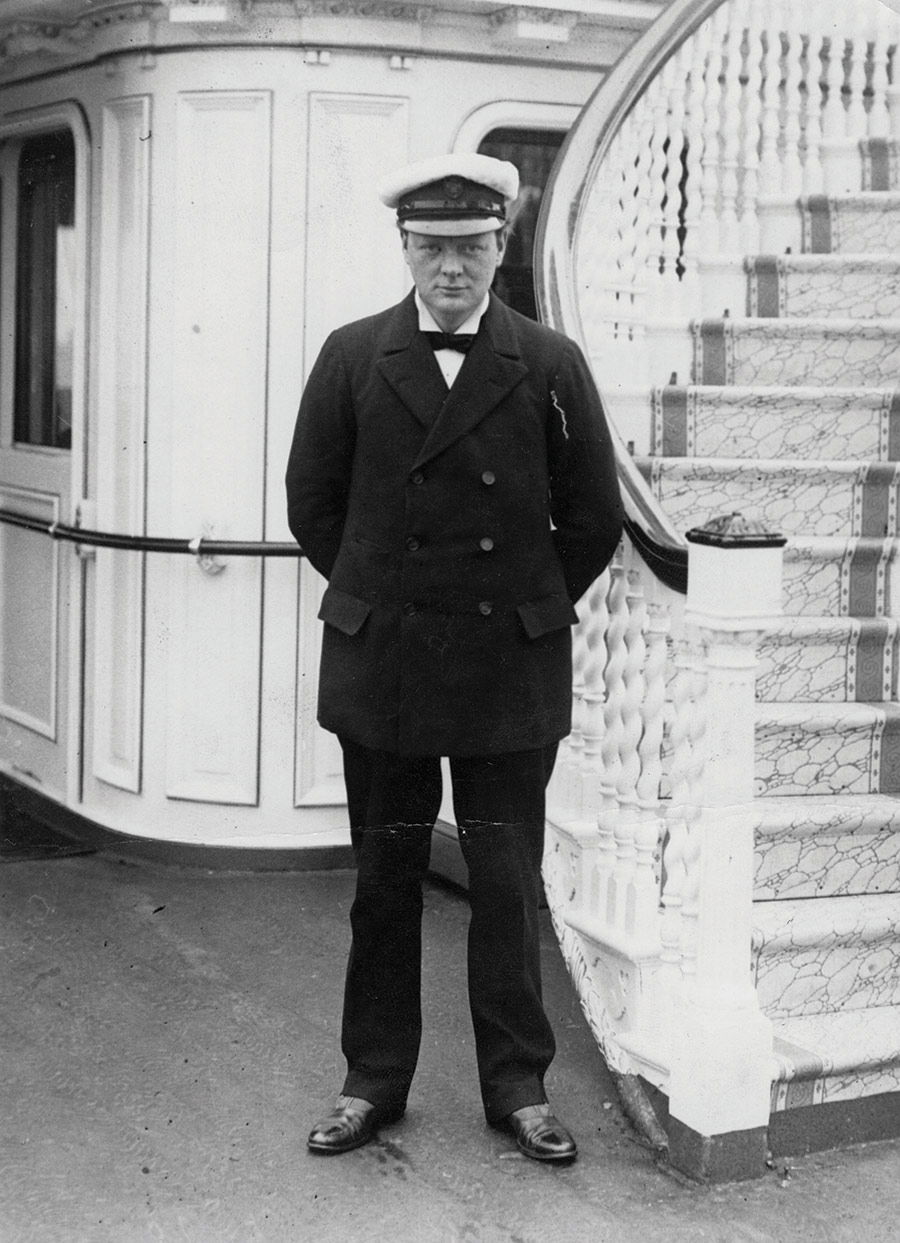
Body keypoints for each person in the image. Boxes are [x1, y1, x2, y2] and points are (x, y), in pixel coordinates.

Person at [285, 152, 623, 1163]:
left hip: (504, 673)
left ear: (500, 247)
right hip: (385, 662)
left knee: (506, 879)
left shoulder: (551, 363)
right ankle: (372, 1081)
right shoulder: (353, 356)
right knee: (383, 876)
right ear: (405, 249)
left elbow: (594, 516)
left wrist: (521, 611)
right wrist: (385, 594)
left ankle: (518, 1085)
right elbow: (313, 503)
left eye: (469, 248)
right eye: (430, 248)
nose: (449, 269)